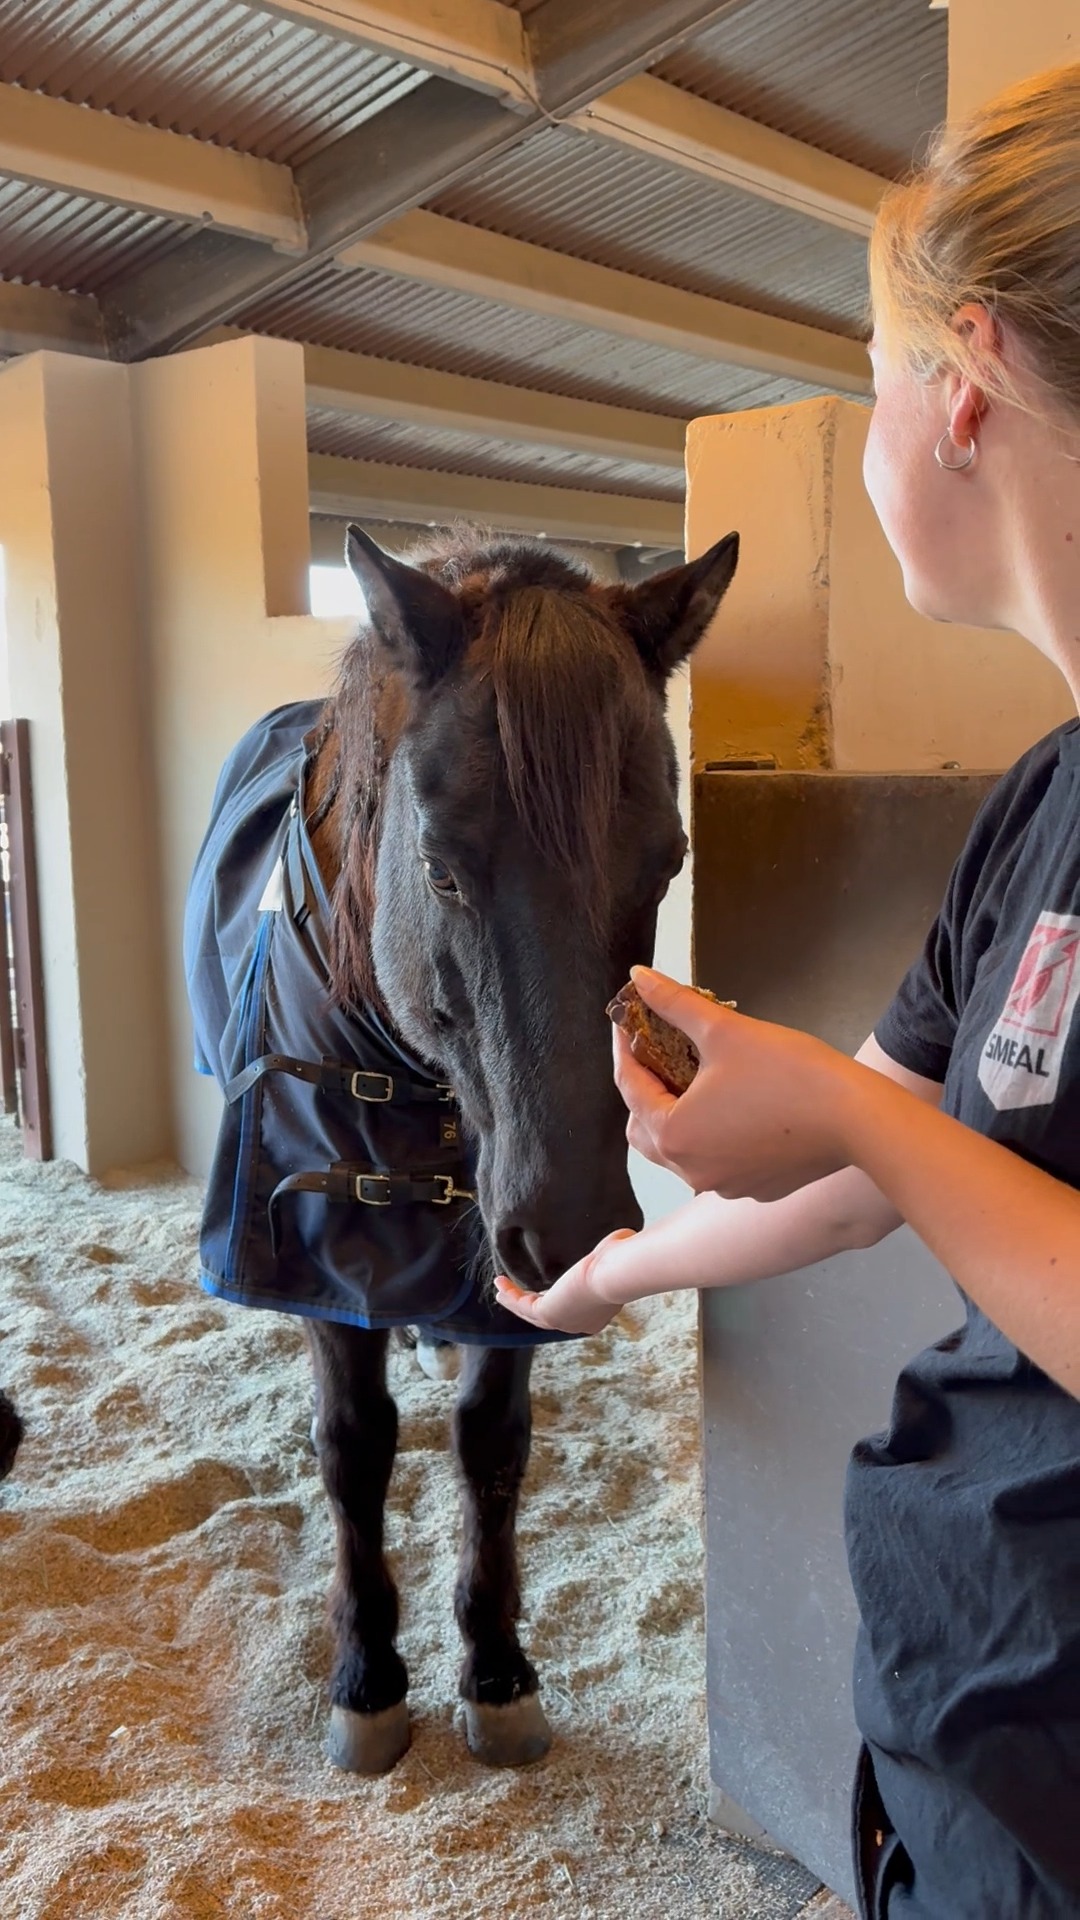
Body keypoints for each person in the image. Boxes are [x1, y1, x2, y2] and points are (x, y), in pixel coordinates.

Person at [495, 61, 1080, 1920]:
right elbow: (894, 1146)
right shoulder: (1045, 800)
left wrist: (837, 1108)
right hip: (965, 1730)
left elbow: (877, 1138)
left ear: (963, 378)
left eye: (873, 378)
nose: (869, 429)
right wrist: (628, 1267)